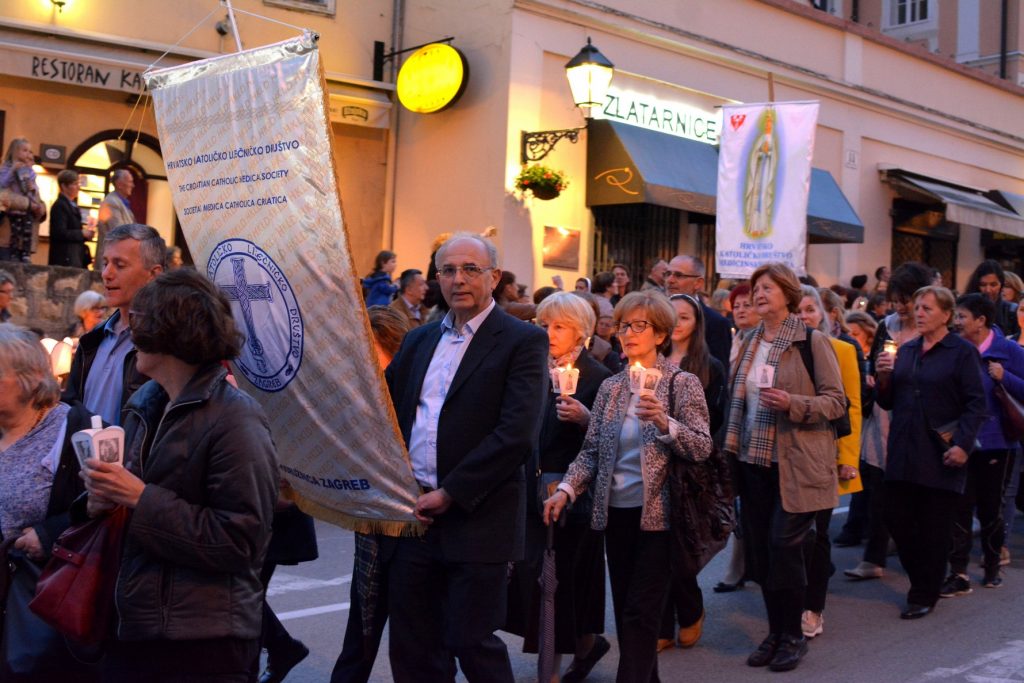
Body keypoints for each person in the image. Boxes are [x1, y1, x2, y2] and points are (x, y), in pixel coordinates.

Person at [78, 269, 279, 681]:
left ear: (170, 332)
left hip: (201, 641)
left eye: (140, 320)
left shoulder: (236, 418)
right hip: (135, 626)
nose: (131, 332)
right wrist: (99, 504)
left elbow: (240, 541)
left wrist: (139, 498)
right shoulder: (146, 402)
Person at [383, 233, 548, 682]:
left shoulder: (523, 341)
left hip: (478, 519)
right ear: (437, 278)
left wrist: (452, 492)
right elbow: (388, 415)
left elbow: (516, 434)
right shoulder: (417, 341)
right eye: (448, 270)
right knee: (415, 649)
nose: (459, 279)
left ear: (494, 277)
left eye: (471, 269)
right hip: (413, 517)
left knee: (471, 642)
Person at [545, 290, 713, 683]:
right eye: (623, 325)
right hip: (614, 515)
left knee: (640, 613)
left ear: (660, 334)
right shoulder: (611, 388)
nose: (629, 333)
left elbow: (703, 445)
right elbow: (591, 452)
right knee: (627, 613)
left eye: (640, 326)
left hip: (661, 518)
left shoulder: (681, 383)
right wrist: (567, 490)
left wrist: (664, 422)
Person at [722, 262, 845, 672]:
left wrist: (794, 403)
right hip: (753, 462)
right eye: (755, 288)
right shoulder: (748, 340)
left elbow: (835, 402)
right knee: (761, 554)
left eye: (768, 288)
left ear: (789, 294)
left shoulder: (812, 342)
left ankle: (793, 635)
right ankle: (775, 632)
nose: (758, 294)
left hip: (796, 463)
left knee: (784, 548)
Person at [504, 292, 612, 683]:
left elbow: (608, 443)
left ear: (581, 332)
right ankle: (584, 645)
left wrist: (585, 419)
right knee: (537, 577)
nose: (549, 333)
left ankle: (551, 668)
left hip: (572, 495)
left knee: (564, 580)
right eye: (544, 324)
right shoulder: (530, 367)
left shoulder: (600, 377)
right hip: (529, 489)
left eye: (560, 326)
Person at [875, 285, 987, 619]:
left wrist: (963, 446)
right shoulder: (906, 351)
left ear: (946, 315)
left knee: (934, 527)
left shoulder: (961, 352)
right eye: (918, 307)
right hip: (903, 452)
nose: (919, 313)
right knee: (897, 518)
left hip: (941, 453)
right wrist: (882, 376)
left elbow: (975, 403)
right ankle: (924, 579)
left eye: (927, 308)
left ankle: (924, 592)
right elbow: (887, 401)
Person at [0, 324, 99, 682]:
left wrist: (48, 532)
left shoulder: (74, 428)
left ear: (29, 378)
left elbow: (105, 509)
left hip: (44, 597)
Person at [332, 305, 411, 683]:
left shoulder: (417, 394)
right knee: (360, 634)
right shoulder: (358, 395)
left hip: (414, 530)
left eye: (372, 353)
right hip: (372, 529)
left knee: (416, 646)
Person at [843, 262, 933, 578]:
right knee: (879, 488)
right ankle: (874, 558)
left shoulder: (931, 330)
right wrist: (875, 376)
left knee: (915, 494)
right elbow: (871, 363)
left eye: (906, 299)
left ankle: (926, 560)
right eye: (896, 299)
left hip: (919, 420)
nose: (900, 306)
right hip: (884, 416)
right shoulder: (887, 325)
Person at [659, 293, 728, 650]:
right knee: (653, 547)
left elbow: (713, 421)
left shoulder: (708, 366)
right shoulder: (648, 360)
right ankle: (659, 624)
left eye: (683, 317)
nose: (675, 324)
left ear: (696, 324)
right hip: (650, 461)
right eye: (670, 316)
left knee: (681, 547)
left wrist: (675, 425)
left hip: (688, 467)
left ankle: (689, 610)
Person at [944, 293, 1024, 594]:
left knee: (991, 508)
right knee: (960, 507)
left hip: (998, 442)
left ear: (981, 321)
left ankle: (991, 566)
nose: (957, 322)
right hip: (962, 441)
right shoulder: (956, 349)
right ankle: (959, 571)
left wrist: (1005, 377)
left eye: (963, 317)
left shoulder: (1008, 350)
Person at [795, 286, 863, 639]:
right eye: (797, 310)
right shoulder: (776, 350)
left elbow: (850, 407)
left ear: (821, 313)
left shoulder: (841, 350)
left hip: (824, 456)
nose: (804, 316)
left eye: (810, 309)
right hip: (785, 457)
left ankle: (813, 606)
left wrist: (848, 459)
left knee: (817, 535)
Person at [62, 223, 165, 425]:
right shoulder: (92, 339)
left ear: (154, 274)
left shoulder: (166, 343)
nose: (106, 273)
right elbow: (71, 406)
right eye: (106, 262)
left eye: (120, 265)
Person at [664, 254, 731, 372]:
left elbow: (718, 374)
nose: (670, 280)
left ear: (698, 283)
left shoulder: (717, 323)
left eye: (678, 275)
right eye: (668, 274)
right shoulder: (656, 315)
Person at [0, 138, 46, 262]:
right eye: (25, 151)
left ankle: (25, 253)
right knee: (13, 236)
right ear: (15, 152)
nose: (28, 155)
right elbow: (2, 187)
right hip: (7, 222)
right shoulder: (5, 169)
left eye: (30, 152)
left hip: (27, 214)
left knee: (25, 231)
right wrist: (12, 170)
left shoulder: (30, 172)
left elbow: (36, 193)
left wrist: (34, 192)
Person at [47, 169, 95, 269]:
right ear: (64, 186)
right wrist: (81, 233)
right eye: (74, 184)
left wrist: (86, 234)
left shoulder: (72, 205)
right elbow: (59, 232)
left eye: (78, 183)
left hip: (74, 256)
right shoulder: (60, 206)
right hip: (64, 258)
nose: (78, 187)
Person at [965, 259, 1020, 338]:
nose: (988, 290)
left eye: (993, 285)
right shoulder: (965, 308)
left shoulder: (1012, 311)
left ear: (1001, 285)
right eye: (983, 285)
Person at [95, 169, 135, 268]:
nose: (132, 185)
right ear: (119, 184)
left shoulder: (122, 202)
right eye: (130, 182)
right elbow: (120, 231)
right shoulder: (111, 202)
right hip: (110, 261)